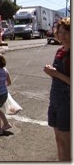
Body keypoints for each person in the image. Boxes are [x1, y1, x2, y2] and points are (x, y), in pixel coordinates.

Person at [43, 17, 70, 161]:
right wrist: (52, 73)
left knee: (66, 143)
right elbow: (58, 78)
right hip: (55, 101)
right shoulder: (60, 50)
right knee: (58, 140)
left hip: (67, 103)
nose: (62, 35)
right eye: (60, 32)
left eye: (66, 32)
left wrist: (55, 73)